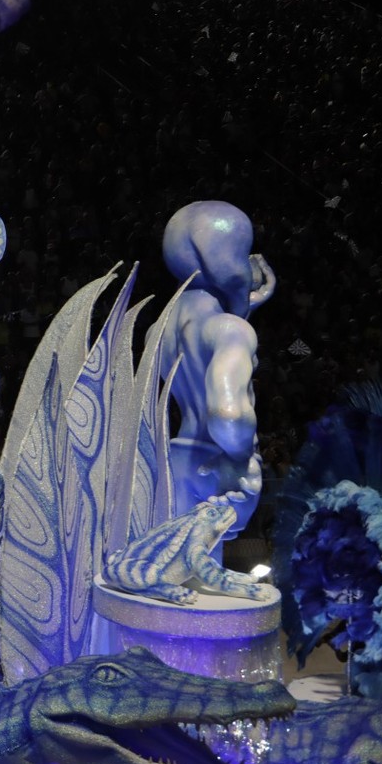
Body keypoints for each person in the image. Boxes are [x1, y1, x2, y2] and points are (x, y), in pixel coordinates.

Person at [151, 200, 275, 545]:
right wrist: (238, 458)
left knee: (178, 567)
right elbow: (228, 413)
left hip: (173, 461)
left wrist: (241, 311)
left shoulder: (158, 332)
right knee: (202, 571)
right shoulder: (228, 329)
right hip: (216, 462)